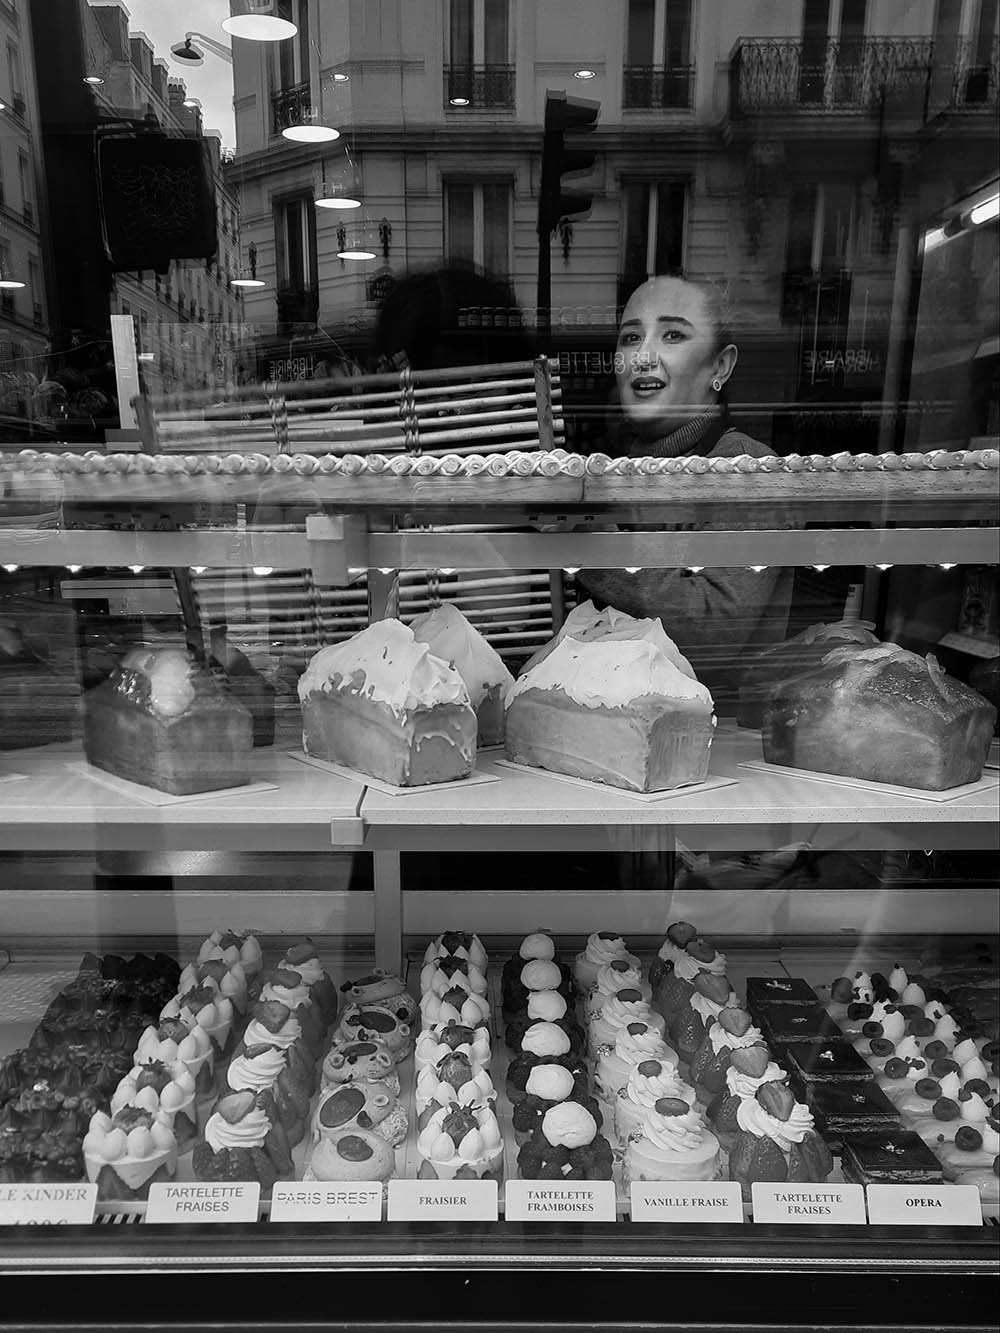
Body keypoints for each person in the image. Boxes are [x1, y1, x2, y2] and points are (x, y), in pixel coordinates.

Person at [576, 274, 794, 712]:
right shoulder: (617, 471)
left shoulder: (747, 469)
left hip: (715, 735)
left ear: (720, 367)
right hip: (608, 719)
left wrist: (591, 547)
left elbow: (714, 629)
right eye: (631, 337)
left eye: (672, 335)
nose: (643, 356)